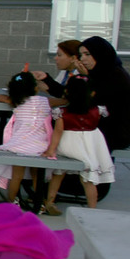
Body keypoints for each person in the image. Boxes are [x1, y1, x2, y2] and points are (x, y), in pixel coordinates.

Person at [40, 76, 114, 214]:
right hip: (88, 148)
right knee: (88, 180)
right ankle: (92, 209)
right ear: (91, 93)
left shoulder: (62, 113)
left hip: (68, 147)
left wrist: (51, 150)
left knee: (58, 173)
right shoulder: (97, 111)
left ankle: (50, 201)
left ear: (68, 94)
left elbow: (58, 132)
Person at [0, 67, 53, 204]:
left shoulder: (16, 101)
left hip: (19, 147)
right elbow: (63, 101)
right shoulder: (45, 101)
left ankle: (12, 201)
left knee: (16, 176)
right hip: (40, 147)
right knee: (37, 175)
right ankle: (39, 203)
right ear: (35, 88)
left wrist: (8, 98)